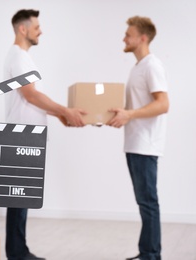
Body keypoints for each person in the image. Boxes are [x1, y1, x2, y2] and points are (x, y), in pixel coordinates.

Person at [4, 9, 86, 260]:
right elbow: (30, 95)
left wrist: (61, 115)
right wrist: (64, 110)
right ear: (23, 29)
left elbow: (32, 101)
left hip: (28, 135)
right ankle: (17, 253)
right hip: (22, 137)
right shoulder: (18, 56)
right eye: (37, 27)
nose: (41, 31)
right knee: (19, 197)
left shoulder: (23, 58)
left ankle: (19, 250)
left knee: (23, 196)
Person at [107, 16, 169, 260]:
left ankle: (151, 254)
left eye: (128, 34)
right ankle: (147, 252)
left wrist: (129, 114)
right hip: (134, 142)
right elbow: (137, 106)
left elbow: (163, 104)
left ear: (142, 38)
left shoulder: (152, 65)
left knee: (148, 202)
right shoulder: (138, 67)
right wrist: (118, 115)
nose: (124, 38)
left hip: (146, 144)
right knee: (144, 202)